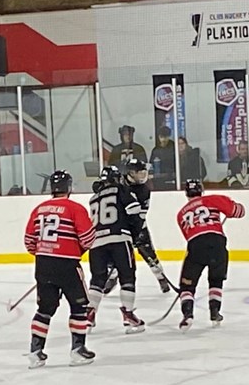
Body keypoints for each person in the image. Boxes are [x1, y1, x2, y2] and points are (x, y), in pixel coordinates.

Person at [23, 170, 96, 368]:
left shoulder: (38, 209)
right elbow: (88, 239)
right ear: (69, 187)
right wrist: (74, 249)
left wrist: (46, 254)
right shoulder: (75, 208)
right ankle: (78, 350)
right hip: (67, 265)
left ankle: (35, 352)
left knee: (44, 309)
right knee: (79, 307)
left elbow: (29, 241)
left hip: (43, 265)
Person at [175, 179, 245, 331]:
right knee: (216, 280)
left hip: (196, 245)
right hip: (217, 242)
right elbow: (239, 212)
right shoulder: (213, 199)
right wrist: (236, 206)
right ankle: (215, 312)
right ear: (201, 190)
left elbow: (189, 236)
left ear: (186, 193)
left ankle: (187, 314)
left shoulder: (181, 214)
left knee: (187, 285)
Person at [85, 166, 146, 334]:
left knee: (97, 280)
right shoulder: (120, 189)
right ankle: (128, 315)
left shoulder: (93, 198)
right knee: (127, 277)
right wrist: (136, 234)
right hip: (119, 239)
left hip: (97, 243)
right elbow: (134, 211)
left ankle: (89, 315)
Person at [105, 158, 171, 294]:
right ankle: (112, 277)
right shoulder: (119, 185)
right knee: (115, 255)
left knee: (149, 254)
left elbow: (141, 214)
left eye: (143, 172)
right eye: (139, 173)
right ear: (129, 173)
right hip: (121, 227)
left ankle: (160, 276)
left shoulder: (144, 190)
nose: (142, 176)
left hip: (138, 226)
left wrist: (138, 231)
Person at [149, 126, 176, 191]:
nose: (163, 140)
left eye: (165, 137)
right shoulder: (156, 150)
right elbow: (151, 164)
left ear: (169, 136)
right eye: (161, 137)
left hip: (172, 177)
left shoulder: (174, 147)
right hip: (159, 179)